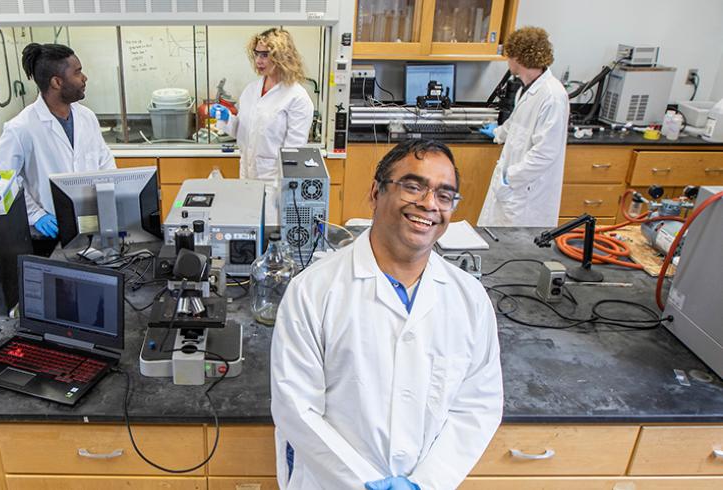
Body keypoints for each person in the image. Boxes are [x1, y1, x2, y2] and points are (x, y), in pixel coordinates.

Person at [271, 139, 503, 490]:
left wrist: (428, 482)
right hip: (332, 483)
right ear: (376, 193)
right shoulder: (313, 291)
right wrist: (362, 483)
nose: (429, 204)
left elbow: (478, 404)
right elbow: (296, 409)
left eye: (444, 195)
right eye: (413, 186)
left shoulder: (468, 300)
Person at [0, 43, 115, 253]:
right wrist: (37, 215)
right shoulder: (20, 128)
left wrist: (109, 200)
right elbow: (2, 183)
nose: (84, 78)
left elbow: (105, 161)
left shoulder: (87, 117)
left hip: (91, 227)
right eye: (77, 72)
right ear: (57, 82)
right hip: (47, 237)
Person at [477, 26, 569, 227]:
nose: (507, 60)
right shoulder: (527, 88)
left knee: (518, 248)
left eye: (509, 55)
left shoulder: (552, 96)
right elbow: (517, 125)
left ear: (518, 57)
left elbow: (545, 154)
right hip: (513, 190)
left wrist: (511, 177)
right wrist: (498, 132)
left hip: (527, 192)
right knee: (496, 238)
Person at [210, 28, 314, 183]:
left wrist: (283, 187)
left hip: (273, 182)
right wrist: (227, 118)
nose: (258, 60)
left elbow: (293, 152)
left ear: (282, 57)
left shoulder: (297, 97)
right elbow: (243, 132)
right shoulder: (251, 90)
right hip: (246, 174)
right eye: (257, 54)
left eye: (265, 55)